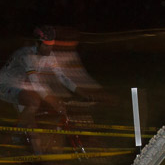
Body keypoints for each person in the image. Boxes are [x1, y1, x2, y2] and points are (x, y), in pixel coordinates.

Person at [0, 25, 101, 154]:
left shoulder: (50, 55)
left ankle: (38, 157)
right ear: (37, 43)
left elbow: (63, 78)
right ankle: (11, 137)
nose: (49, 49)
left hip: (22, 86)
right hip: (5, 85)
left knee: (32, 126)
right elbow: (35, 82)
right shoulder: (27, 55)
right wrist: (52, 100)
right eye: (46, 45)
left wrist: (83, 93)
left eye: (52, 45)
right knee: (34, 102)